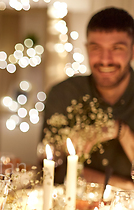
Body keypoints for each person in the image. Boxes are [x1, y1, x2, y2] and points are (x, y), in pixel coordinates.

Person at [42, 7, 134, 190]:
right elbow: (53, 168)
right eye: (96, 48)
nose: (105, 59)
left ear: (133, 49)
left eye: (117, 48)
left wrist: (121, 131)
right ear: (86, 48)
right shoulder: (63, 94)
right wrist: (123, 185)